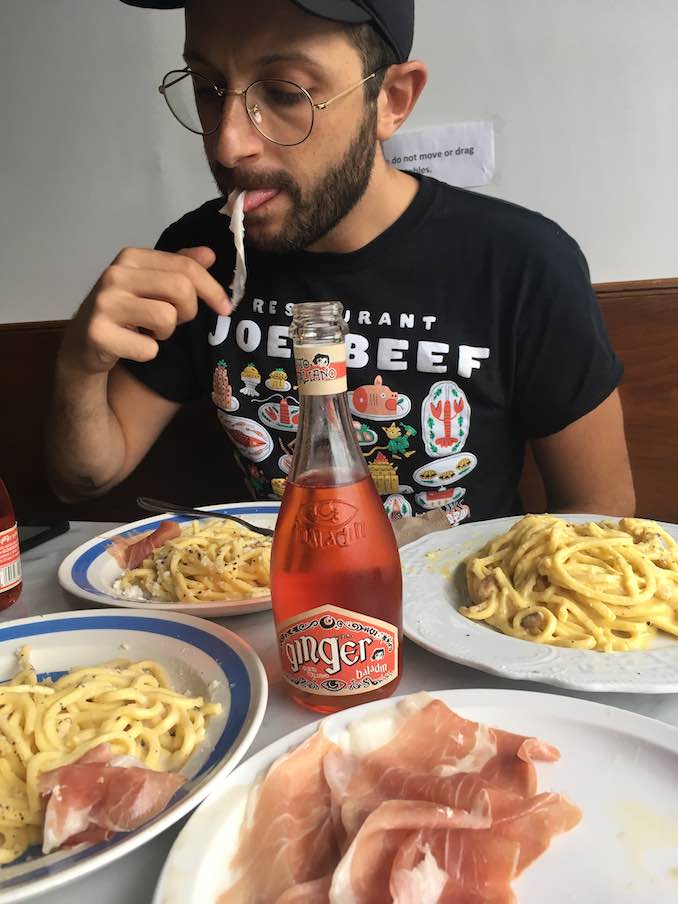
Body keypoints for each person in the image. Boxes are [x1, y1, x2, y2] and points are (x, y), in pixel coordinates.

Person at [47, 0, 635, 525]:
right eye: (208, 87)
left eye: (283, 93)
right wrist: (81, 365)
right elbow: (85, 479)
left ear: (391, 100)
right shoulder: (201, 251)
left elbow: (601, 517)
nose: (227, 144)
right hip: (269, 617)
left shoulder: (521, 264)